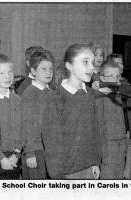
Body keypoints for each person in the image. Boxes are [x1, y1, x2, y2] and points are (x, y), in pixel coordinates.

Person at [45, 43, 101, 179]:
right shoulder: (56, 98)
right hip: (66, 172)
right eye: (85, 62)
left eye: (92, 62)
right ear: (69, 66)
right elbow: (52, 141)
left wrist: (95, 162)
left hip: (88, 168)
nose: (91, 67)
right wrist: (57, 175)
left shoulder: (90, 95)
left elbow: (94, 133)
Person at [0, 54, 24, 179]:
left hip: (14, 157)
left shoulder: (18, 100)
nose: (7, 76)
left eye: (10, 72)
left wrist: (16, 154)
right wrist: (1, 158)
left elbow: (23, 129)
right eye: (1, 73)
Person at [20, 49, 55, 179]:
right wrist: (29, 153)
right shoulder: (29, 94)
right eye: (44, 69)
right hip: (35, 151)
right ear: (33, 71)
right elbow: (26, 126)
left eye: (50, 69)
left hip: (49, 149)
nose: (48, 72)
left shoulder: (51, 93)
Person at [96, 60, 129, 179]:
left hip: (121, 139)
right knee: (108, 174)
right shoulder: (100, 97)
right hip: (108, 143)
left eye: (118, 76)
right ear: (102, 79)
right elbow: (99, 124)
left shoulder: (117, 95)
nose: (116, 79)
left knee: (119, 173)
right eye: (112, 76)